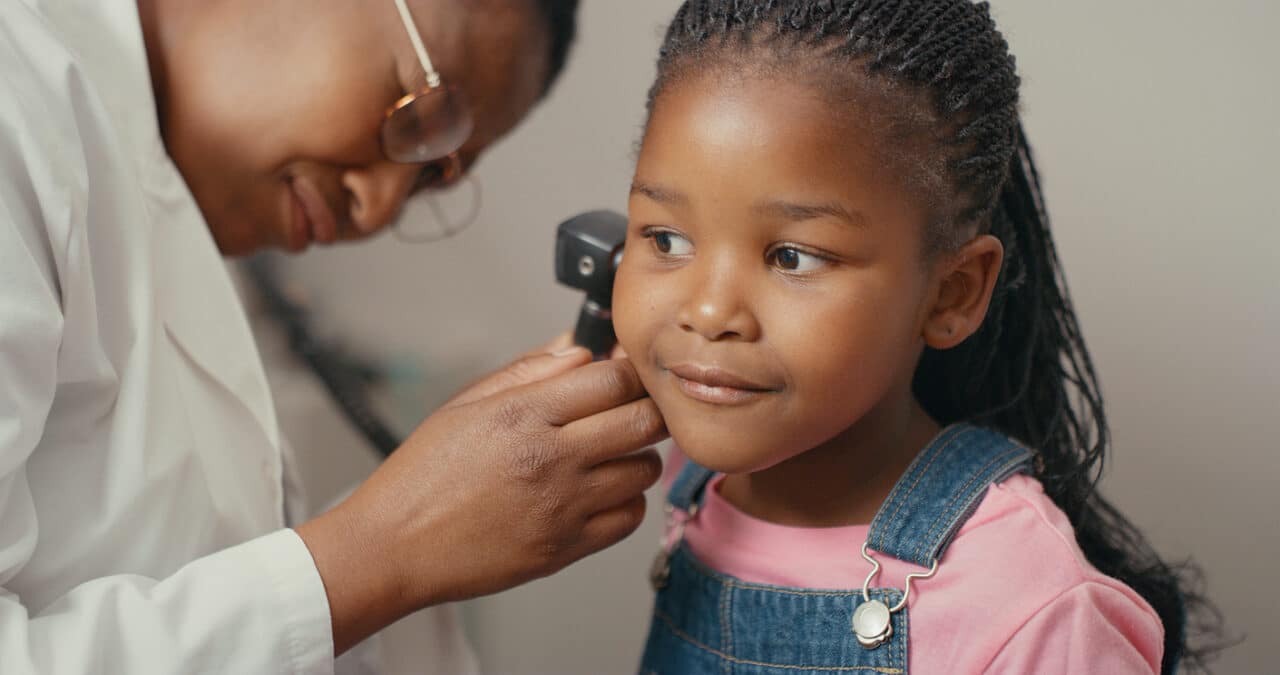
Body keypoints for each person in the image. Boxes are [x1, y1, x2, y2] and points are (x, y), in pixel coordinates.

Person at [0, 0, 666, 673]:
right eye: (422, 113)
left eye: (430, 180)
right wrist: (383, 550)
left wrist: (437, 511)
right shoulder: (17, 100)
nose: (376, 209)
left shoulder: (162, 186)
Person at [611, 1, 1211, 673]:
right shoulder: (694, 479)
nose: (709, 309)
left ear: (951, 293)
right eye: (666, 239)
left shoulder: (1034, 606)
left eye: (793, 257)